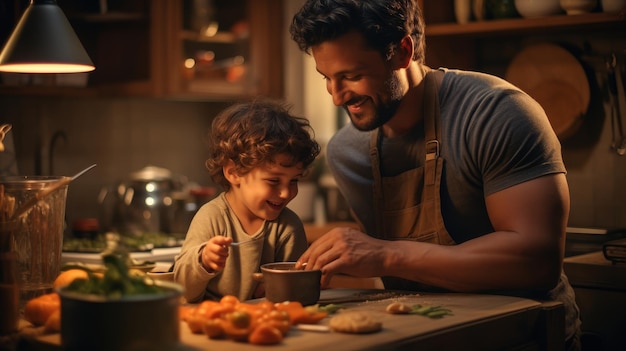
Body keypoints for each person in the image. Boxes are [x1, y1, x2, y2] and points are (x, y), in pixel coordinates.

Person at [290, 0, 581, 349]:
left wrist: (385, 255)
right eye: (327, 78)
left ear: (402, 51)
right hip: (426, 336)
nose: (337, 97)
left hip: (523, 337)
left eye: (352, 76)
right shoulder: (347, 153)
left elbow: (536, 259)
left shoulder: (495, 113)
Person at [174, 99, 321, 303]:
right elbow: (182, 290)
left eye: (294, 180)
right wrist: (204, 261)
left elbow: (294, 295)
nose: (286, 192)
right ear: (233, 172)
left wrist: (291, 285)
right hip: (213, 322)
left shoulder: (288, 227)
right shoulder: (212, 217)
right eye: (273, 180)